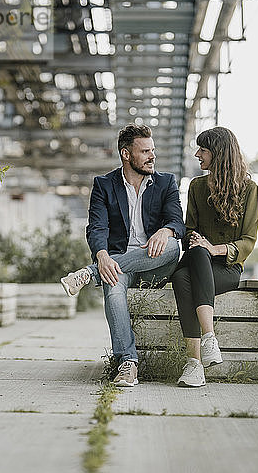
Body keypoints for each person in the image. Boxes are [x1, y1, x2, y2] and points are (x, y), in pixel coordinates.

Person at [61, 123, 185, 387]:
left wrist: (165, 231)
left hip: (157, 263)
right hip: (122, 265)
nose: (152, 156)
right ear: (126, 154)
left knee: (174, 245)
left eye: (153, 150)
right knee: (112, 283)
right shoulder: (104, 185)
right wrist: (102, 255)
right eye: (145, 151)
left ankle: (88, 273)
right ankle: (128, 363)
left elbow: (178, 222)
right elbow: (97, 227)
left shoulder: (166, 183)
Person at [171, 126, 258, 388]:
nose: (197, 154)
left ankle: (194, 364)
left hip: (227, 268)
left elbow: (248, 241)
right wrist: (198, 244)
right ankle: (209, 339)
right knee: (194, 255)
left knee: (182, 278)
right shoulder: (197, 187)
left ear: (218, 154)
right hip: (199, 260)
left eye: (203, 150)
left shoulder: (249, 189)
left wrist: (214, 248)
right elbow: (189, 231)